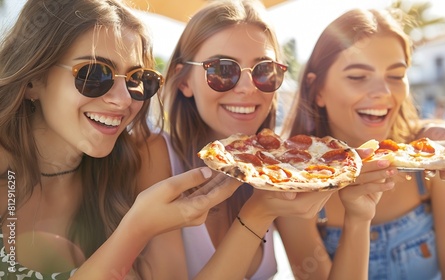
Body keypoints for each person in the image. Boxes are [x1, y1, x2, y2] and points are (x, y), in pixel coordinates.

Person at [0, 0, 296, 279]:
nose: (122, 99)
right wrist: (139, 227)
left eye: (136, 80)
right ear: (32, 80)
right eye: (94, 74)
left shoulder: (118, 175)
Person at [161, 1, 398, 279]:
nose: (248, 88)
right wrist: (258, 212)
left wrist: (359, 217)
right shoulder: (155, 155)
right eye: (223, 70)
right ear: (183, 80)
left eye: (263, 70)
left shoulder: (282, 172)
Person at [282, 8, 445, 280]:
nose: (383, 93)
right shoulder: (291, 186)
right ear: (318, 91)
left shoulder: (437, 161)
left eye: (396, 75)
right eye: (357, 76)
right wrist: (358, 220)